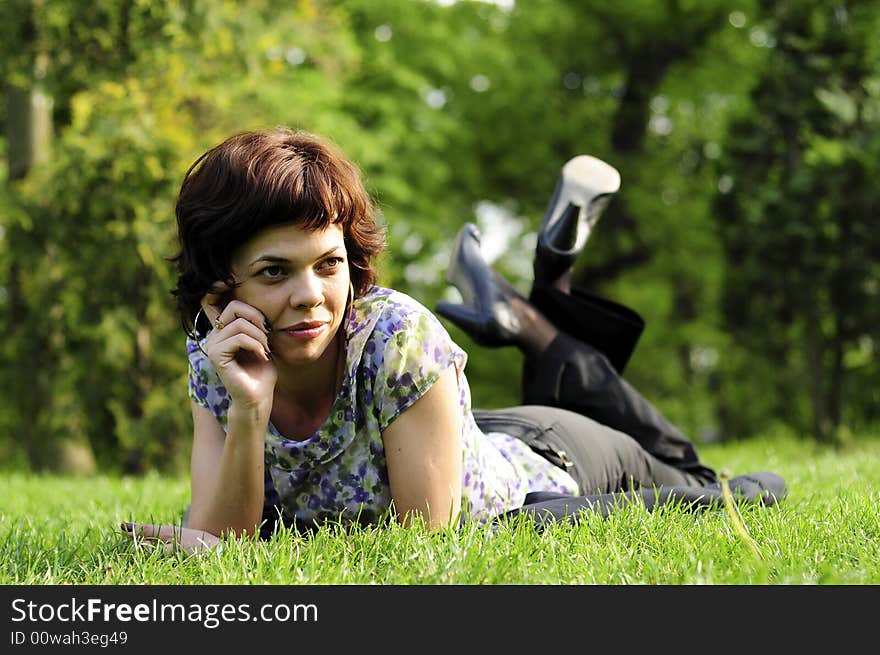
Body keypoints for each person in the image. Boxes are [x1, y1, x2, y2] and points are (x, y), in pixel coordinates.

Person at [122, 127, 785, 553]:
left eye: (328, 263)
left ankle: (536, 315)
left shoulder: (397, 336)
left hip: (549, 467)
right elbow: (218, 543)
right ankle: (535, 306)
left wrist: (252, 553)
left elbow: (423, 549)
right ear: (218, 291)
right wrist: (247, 410)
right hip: (471, 434)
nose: (311, 295)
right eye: (274, 271)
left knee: (712, 485)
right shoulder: (219, 359)